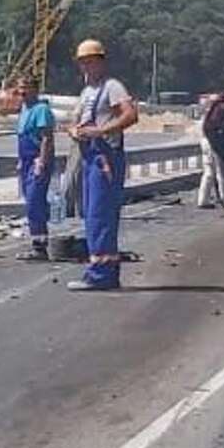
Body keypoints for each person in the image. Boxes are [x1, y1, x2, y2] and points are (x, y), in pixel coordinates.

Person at [66, 38, 139, 290]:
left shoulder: (112, 87)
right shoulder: (87, 92)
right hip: (88, 155)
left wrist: (100, 131)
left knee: (101, 213)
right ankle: (99, 268)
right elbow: (73, 120)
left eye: (90, 62)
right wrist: (75, 131)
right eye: (82, 63)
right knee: (91, 213)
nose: (86, 68)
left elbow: (130, 115)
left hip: (104, 157)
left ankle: (102, 274)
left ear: (101, 62)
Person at [13, 75, 56, 259]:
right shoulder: (24, 109)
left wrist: (41, 161)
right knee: (30, 201)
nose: (22, 91)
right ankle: (37, 243)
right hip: (26, 160)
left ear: (35, 89)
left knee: (34, 202)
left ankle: (40, 247)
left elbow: (46, 138)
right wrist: (20, 161)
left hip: (38, 160)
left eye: (26, 87)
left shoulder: (41, 109)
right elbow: (22, 137)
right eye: (20, 87)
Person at [196, 88, 224, 209]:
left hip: (205, 141)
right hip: (214, 143)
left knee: (209, 172)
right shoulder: (223, 111)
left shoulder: (211, 110)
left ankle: (203, 200)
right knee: (221, 173)